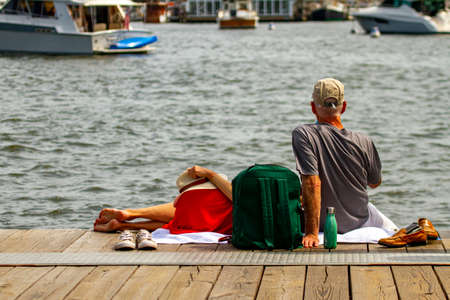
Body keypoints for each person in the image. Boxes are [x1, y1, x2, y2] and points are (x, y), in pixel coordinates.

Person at [292, 78, 398, 248]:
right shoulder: (364, 140)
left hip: (323, 224)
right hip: (360, 221)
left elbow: (312, 183)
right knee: (392, 228)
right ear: (344, 106)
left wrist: (312, 233)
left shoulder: (304, 134)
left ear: (313, 107)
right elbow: (375, 183)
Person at [94, 165, 233, 234]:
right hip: (222, 217)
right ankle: (125, 225)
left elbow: (236, 197)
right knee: (180, 224)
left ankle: (132, 214)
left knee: (183, 220)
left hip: (199, 201)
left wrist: (210, 174)